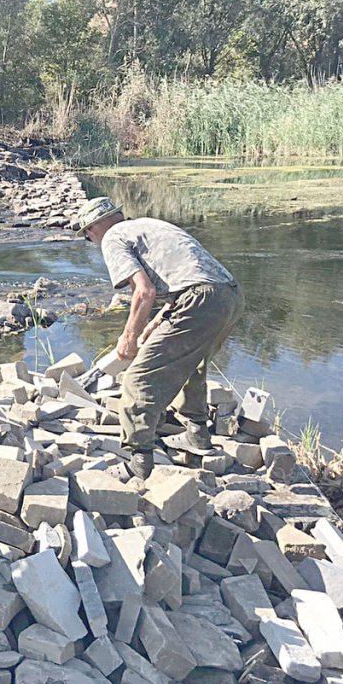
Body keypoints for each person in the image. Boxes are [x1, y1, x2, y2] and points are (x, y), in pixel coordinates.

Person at [75, 196, 245, 478]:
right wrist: (154, 324)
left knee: (138, 377)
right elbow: (187, 277)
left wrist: (128, 339)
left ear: (93, 228)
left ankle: (138, 462)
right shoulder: (149, 225)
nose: (91, 242)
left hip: (199, 299)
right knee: (190, 363)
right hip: (230, 296)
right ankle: (196, 436)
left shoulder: (112, 238)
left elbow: (144, 291)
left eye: (88, 237)